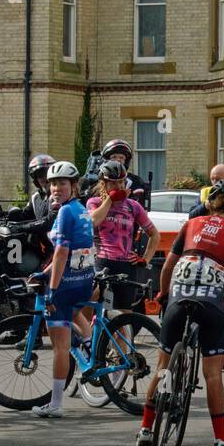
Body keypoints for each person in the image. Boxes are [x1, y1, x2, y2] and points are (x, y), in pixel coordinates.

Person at [138, 180, 224, 446]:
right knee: (213, 374)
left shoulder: (190, 225)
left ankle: (145, 428)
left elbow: (168, 265)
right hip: (211, 303)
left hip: (179, 297)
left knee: (162, 367)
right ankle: (221, 439)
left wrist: (164, 295)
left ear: (210, 204)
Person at [32, 160, 96, 418]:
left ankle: (56, 404)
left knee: (59, 345)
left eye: (62, 183)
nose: (56, 188)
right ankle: (89, 350)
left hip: (66, 285)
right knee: (71, 321)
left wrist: (52, 288)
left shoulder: (64, 213)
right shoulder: (80, 209)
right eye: (53, 183)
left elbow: (61, 253)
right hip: (84, 281)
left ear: (74, 186)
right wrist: (44, 272)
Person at [87, 159, 160, 313]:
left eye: (122, 182)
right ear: (104, 184)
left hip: (125, 264)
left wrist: (144, 259)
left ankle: (120, 337)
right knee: (90, 307)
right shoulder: (94, 202)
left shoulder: (133, 206)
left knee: (124, 316)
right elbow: (93, 221)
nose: (119, 186)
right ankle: (88, 337)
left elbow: (154, 235)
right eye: (113, 183)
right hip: (101, 261)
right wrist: (110, 200)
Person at [98, 139, 151, 210]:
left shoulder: (136, 181)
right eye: (114, 157)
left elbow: (141, 210)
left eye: (121, 157)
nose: (118, 160)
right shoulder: (98, 179)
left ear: (126, 161)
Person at [26, 153, 55, 222]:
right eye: (39, 175)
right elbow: (26, 215)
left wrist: (23, 227)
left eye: (45, 173)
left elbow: (48, 221)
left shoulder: (57, 195)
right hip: (39, 231)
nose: (42, 177)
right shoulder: (36, 196)